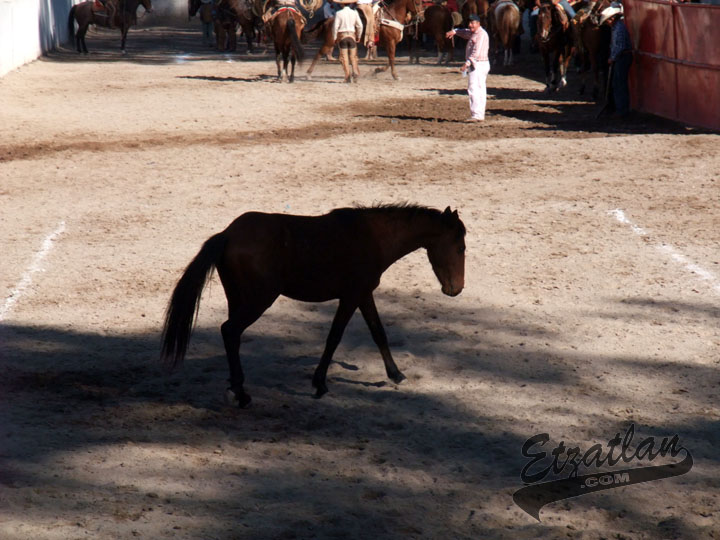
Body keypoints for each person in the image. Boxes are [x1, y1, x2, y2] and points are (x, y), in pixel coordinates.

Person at [445, 13, 490, 121]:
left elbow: (476, 52)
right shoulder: (475, 32)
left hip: (478, 64)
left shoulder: (481, 35)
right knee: (480, 89)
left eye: (472, 23)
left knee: (473, 89)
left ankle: (476, 115)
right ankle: (479, 114)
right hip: (480, 64)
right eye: (469, 23)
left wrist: (467, 63)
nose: (470, 25)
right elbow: (465, 32)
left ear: (478, 23)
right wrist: (455, 31)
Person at [601, 4, 632, 117]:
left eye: (607, 20)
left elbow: (620, 46)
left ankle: (622, 110)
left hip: (622, 57)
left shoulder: (619, 28)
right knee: (617, 83)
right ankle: (620, 108)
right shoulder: (616, 28)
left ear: (612, 18)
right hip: (620, 57)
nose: (607, 23)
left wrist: (612, 57)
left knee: (619, 83)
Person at [332, 0, 364, 82]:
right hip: (352, 36)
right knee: (353, 57)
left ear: (342, 4)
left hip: (342, 36)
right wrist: (359, 36)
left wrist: (334, 37)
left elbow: (335, 27)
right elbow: (360, 26)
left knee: (344, 57)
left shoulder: (339, 13)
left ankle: (347, 76)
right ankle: (355, 71)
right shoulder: (354, 13)